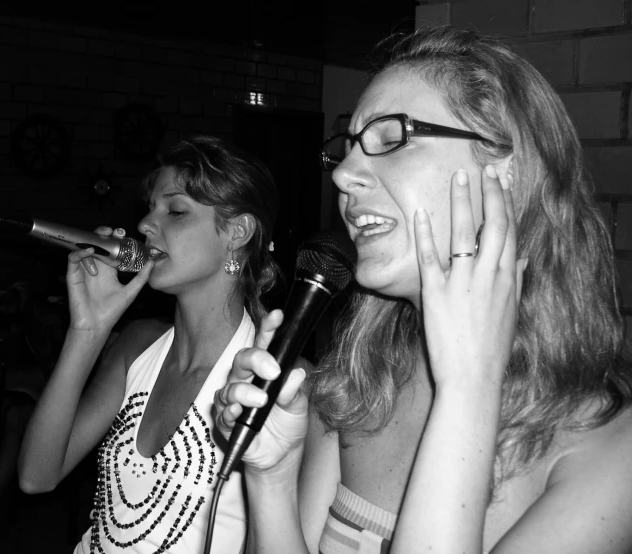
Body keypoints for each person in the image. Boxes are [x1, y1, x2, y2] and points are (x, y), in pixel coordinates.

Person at [214, 26, 632, 554]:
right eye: (345, 149)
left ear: (502, 170)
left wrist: (469, 387)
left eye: (392, 139)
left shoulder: (613, 449)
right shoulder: (359, 384)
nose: (343, 174)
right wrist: (271, 478)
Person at [17, 135, 281, 554]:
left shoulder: (277, 382)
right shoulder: (138, 343)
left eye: (175, 210)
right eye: (150, 208)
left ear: (237, 232)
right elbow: (36, 476)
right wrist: (88, 331)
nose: (143, 224)